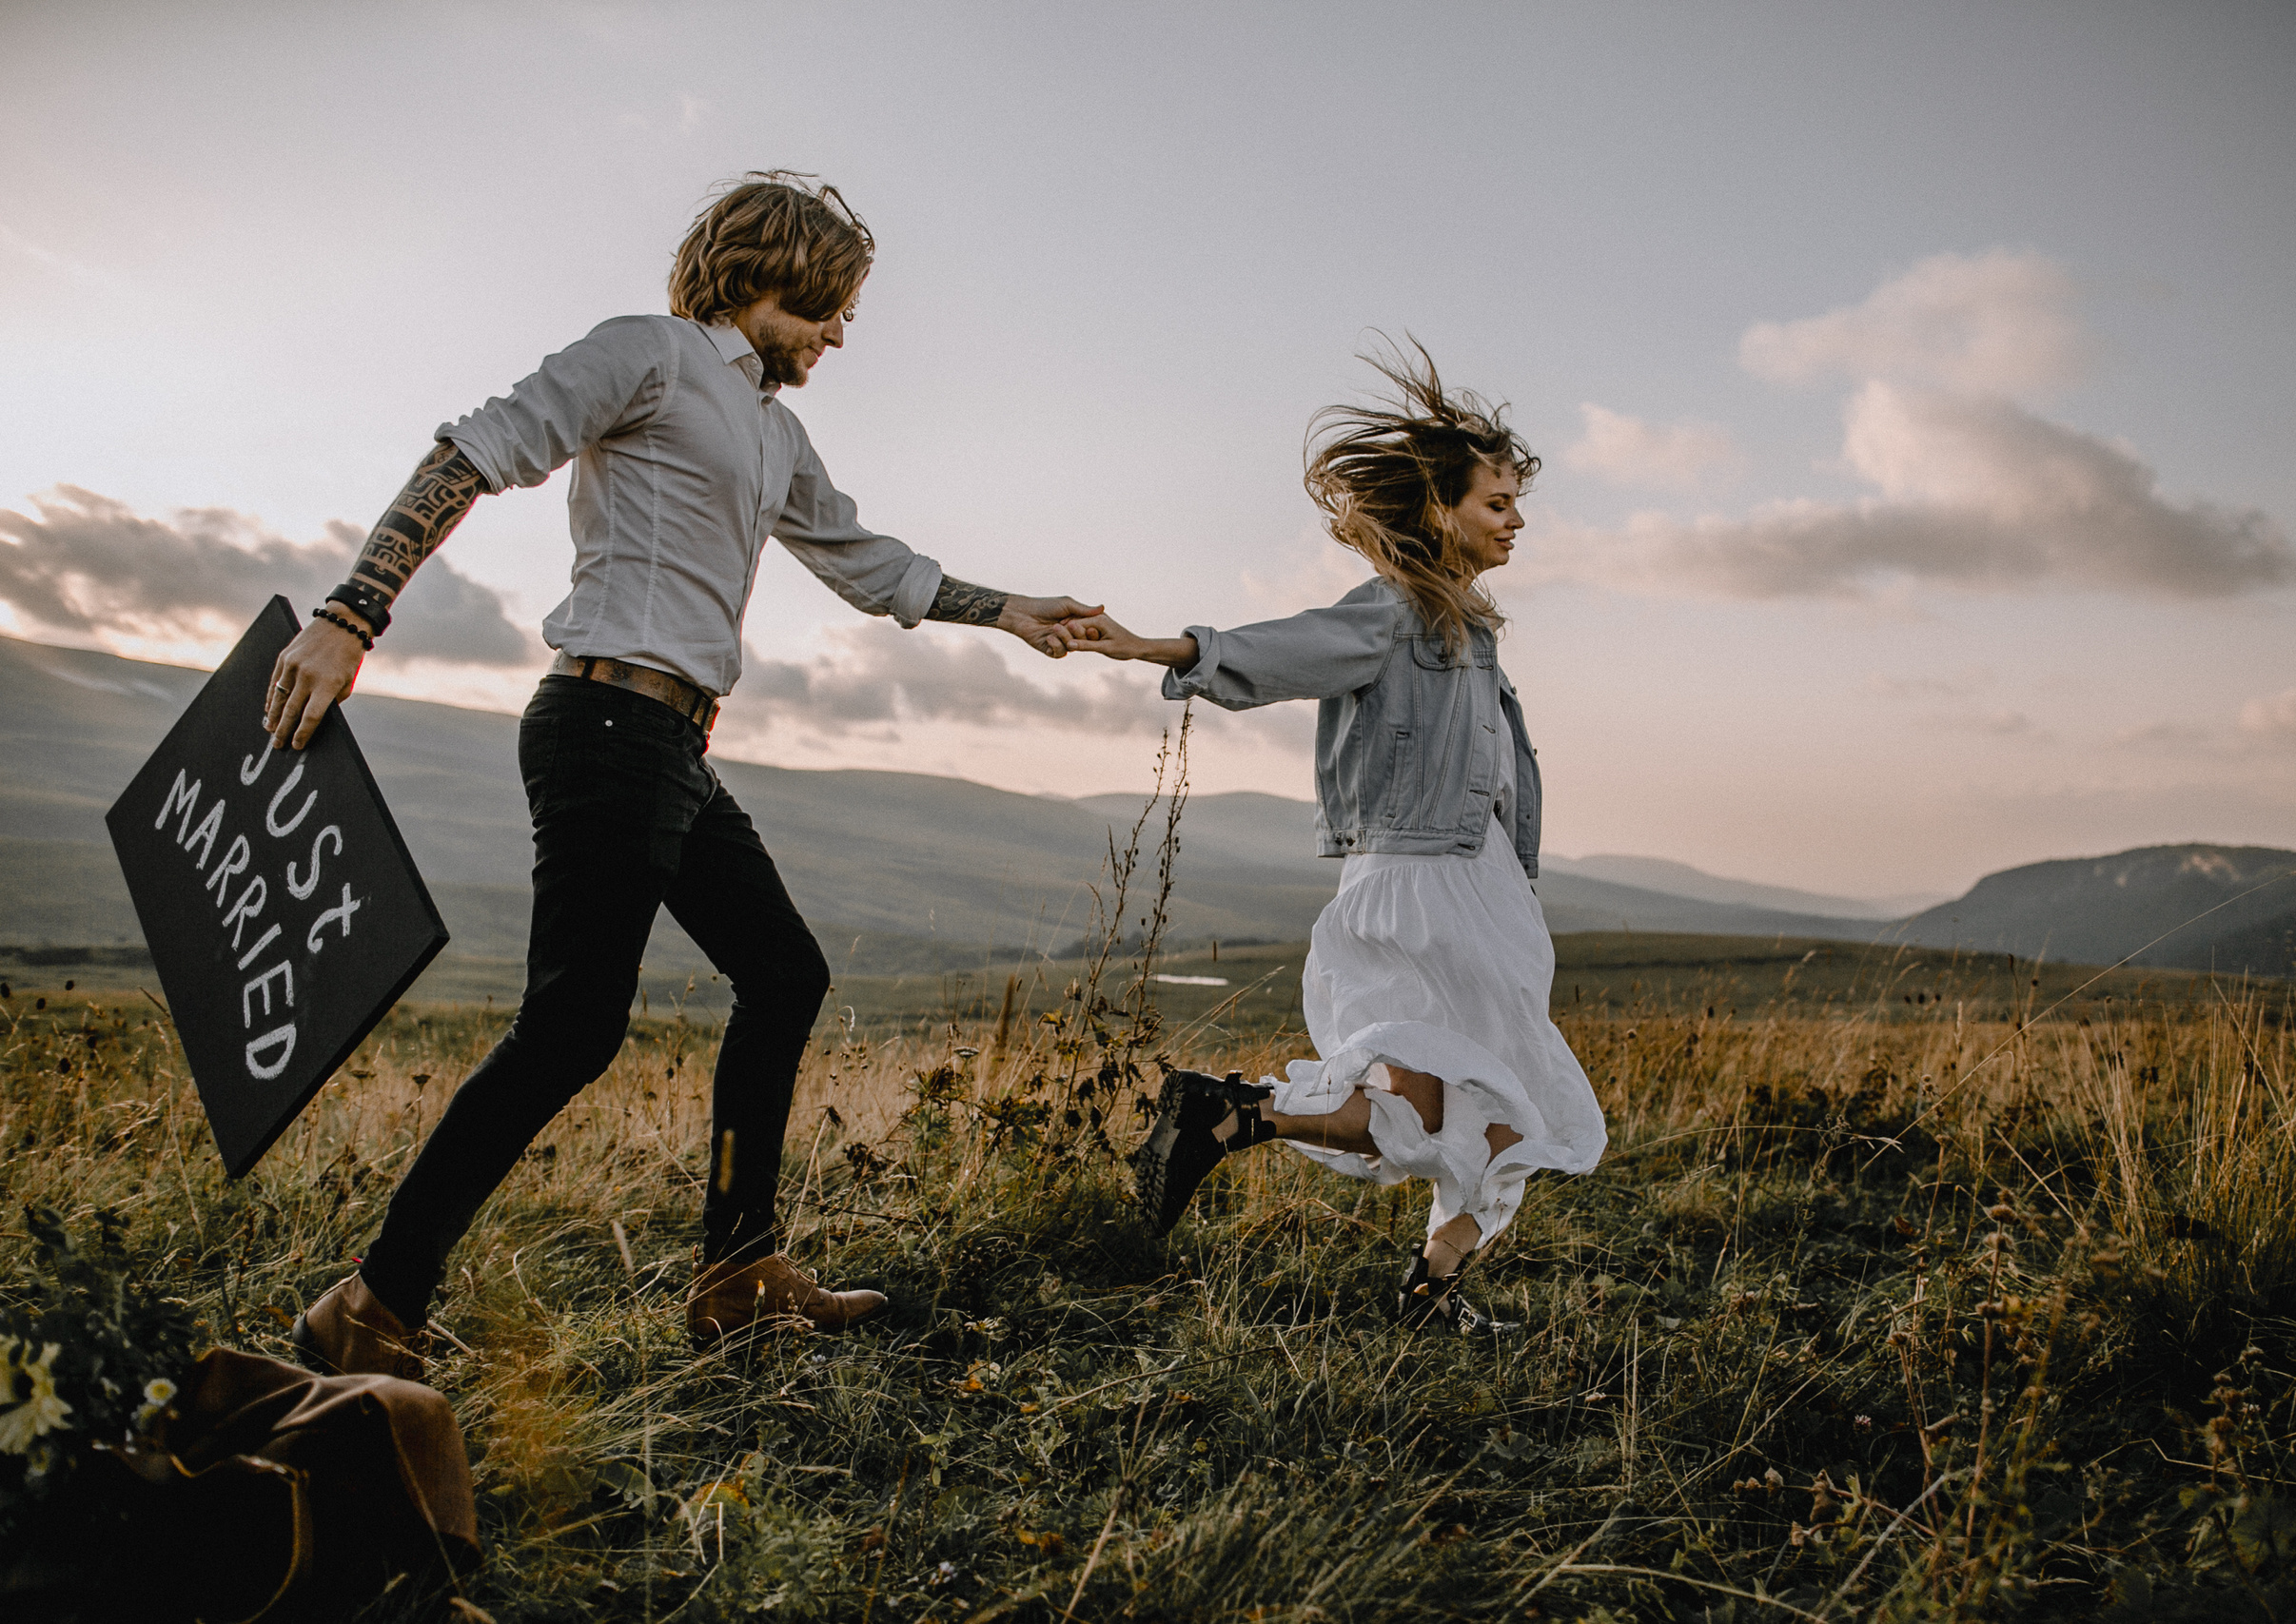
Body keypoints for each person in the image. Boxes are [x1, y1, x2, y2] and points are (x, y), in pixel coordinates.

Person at [266, 172, 1099, 1378]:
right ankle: (374, 1303)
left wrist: (1011, 610)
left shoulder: (774, 430)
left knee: (783, 974)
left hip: (673, 748)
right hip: (601, 720)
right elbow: (473, 451)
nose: (841, 333)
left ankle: (738, 1275)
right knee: (571, 1030)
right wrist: (353, 612)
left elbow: (870, 566)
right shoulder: (647, 356)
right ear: (779, 271)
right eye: (834, 304)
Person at [1062, 347, 1606, 1329]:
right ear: (1440, 511)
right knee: (1476, 1103)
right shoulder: (1395, 613)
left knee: (1493, 1111)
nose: (1516, 519)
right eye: (1496, 502)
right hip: (1423, 886)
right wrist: (1160, 647)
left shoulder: (1465, 630)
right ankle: (1235, 1116)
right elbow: (1287, 648)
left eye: (1517, 500)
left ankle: (1412, 1277)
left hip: (1476, 888)